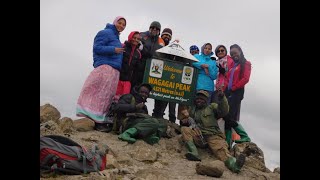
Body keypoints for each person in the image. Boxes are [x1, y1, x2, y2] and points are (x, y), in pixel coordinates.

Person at [76, 16, 126, 132]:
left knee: (106, 96)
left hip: (114, 70)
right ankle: (92, 120)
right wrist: (114, 49)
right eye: (120, 23)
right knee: (98, 93)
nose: (121, 26)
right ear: (115, 22)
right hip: (105, 67)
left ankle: (99, 122)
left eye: (124, 25)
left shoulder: (116, 37)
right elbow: (97, 47)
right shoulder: (105, 32)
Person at [180, 90, 246, 173]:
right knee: (185, 130)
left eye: (201, 99)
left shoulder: (212, 107)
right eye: (197, 99)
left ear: (205, 100)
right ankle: (194, 152)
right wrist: (184, 121)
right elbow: (186, 121)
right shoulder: (193, 110)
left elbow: (223, 111)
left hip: (213, 135)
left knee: (221, 152)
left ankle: (234, 165)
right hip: (199, 136)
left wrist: (222, 98)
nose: (199, 100)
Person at [222, 44, 252, 148]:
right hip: (228, 92)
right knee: (226, 116)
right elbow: (227, 78)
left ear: (240, 51)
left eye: (235, 52)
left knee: (229, 116)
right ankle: (227, 142)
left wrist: (234, 87)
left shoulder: (246, 64)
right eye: (232, 54)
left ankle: (244, 136)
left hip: (237, 92)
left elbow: (245, 79)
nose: (234, 55)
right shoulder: (232, 66)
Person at [152, 28, 177, 123]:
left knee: (163, 102)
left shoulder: (171, 47)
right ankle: (155, 119)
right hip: (156, 76)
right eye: (165, 35)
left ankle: (160, 120)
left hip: (166, 79)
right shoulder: (157, 43)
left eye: (169, 36)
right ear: (161, 35)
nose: (167, 37)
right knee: (157, 101)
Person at [131, 21, 165, 89]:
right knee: (134, 87)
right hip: (138, 67)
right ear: (149, 28)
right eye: (153, 27)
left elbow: (161, 55)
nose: (154, 29)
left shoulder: (161, 42)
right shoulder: (142, 35)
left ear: (159, 31)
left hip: (151, 69)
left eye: (157, 28)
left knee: (144, 90)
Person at [114, 31, 142, 101]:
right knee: (113, 98)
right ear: (130, 37)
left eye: (138, 39)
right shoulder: (122, 46)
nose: (135, 40)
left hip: (127, 81)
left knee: (124, 100)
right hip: (118, 78)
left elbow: (136, 70)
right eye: (134, 37)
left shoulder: (138, 53)